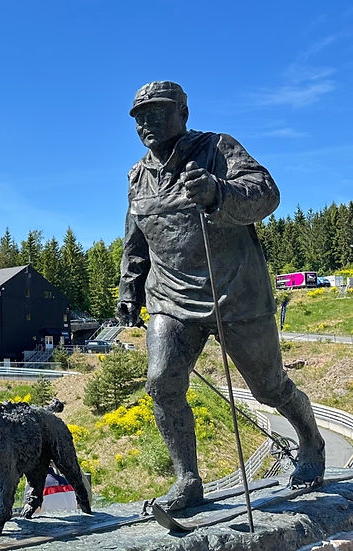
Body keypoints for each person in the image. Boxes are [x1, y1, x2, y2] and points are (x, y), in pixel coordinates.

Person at [117, 81, 325, 510]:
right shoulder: (138, 177)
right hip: (170, 300)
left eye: (158, 112)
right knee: (162, 384)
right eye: (140, 117)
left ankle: (311, 440)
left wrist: (219, 192)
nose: (147, 123)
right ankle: (188, 479)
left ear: (184, 114)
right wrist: (129, 288)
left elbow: (267, 193)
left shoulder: (217, 149)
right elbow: (135, 238)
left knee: (269, 389)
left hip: (236, 294)